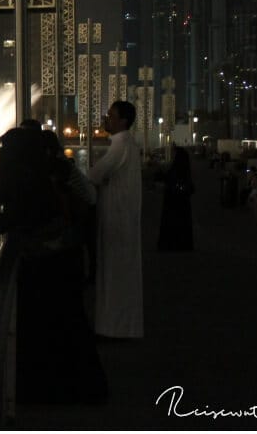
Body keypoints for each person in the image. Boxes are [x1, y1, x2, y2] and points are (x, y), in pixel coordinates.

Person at [0, 125, 107, 403]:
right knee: (66, 328)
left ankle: (54, 392)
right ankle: (72, 388)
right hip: (61, 262)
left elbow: (27, 214)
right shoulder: (43, 174)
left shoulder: (34, 179)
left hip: (48, 265)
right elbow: (25, 209)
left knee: (54, 328)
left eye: (7, 153)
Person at [87, 100, 144, 339]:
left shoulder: (120, 146)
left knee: (114, 277)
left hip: (117, 219)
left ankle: (114, 328)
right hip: (123, 217)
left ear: (123, 121)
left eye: (110, 116)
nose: (106, 119)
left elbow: (94, 174)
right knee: (122, 276)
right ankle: (121, 327)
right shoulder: (127, 145)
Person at [157, 145, 195, 251]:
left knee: (171, 222)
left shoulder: (175, 170)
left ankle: (171, 244)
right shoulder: (184, 170)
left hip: (172, 200)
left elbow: (169, 179)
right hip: (182, 201)